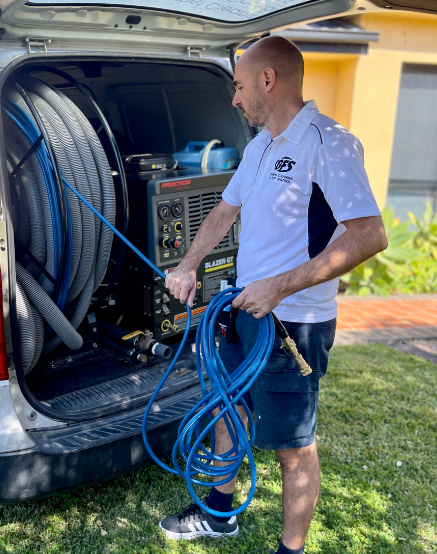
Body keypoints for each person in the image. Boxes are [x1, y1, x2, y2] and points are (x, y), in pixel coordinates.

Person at [158, 36, 388, 553]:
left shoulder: (329, 143)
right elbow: (224, 209)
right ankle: (220, 515)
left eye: (239, 87)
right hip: (245, 308)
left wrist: (279, 287)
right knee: (225, 406)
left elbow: (369, 235)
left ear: (268, 80)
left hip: (294, 323)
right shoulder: (260, 146)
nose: (234, 100)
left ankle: (291, 550)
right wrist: (188, 264)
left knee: (293, 446)